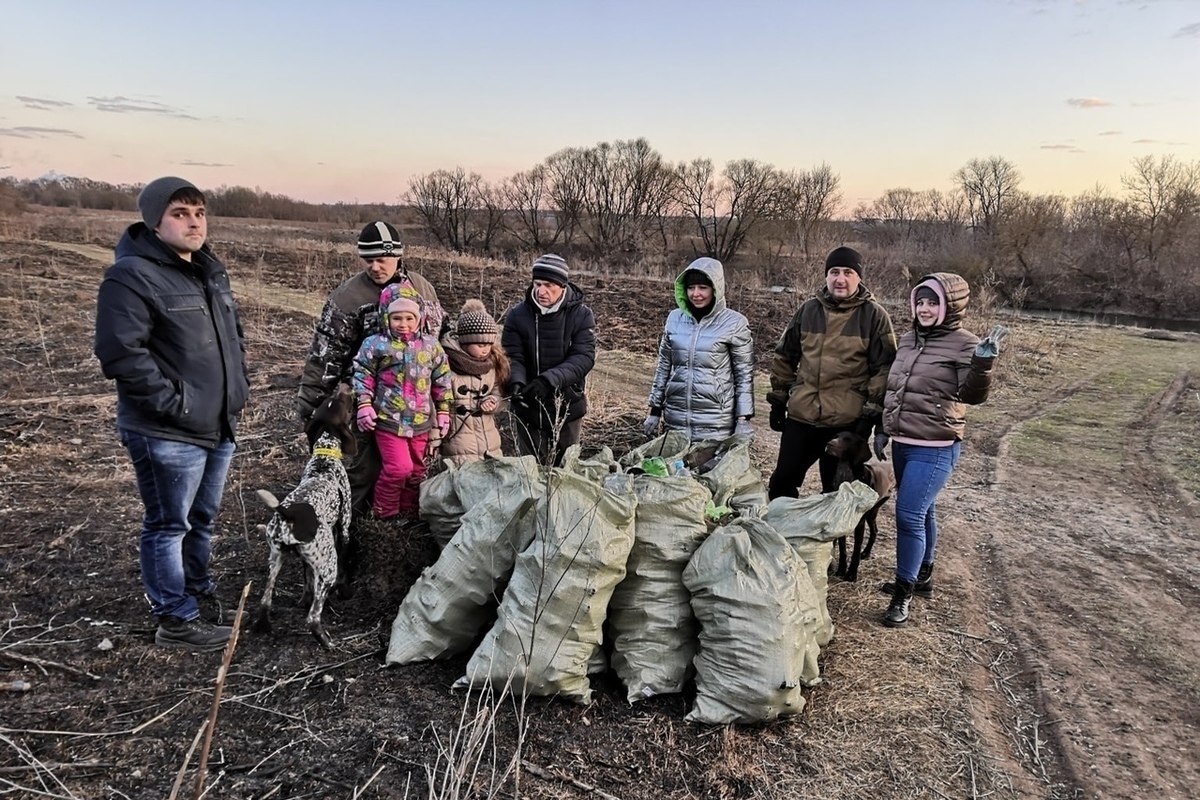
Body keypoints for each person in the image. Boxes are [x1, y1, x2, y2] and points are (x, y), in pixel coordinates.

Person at [93, 176, 250, 651]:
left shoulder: (208, 271)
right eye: (180, 213)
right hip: (167, 428)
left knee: (201, 518)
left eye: (199, 212)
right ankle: (175, 620)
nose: (193, 222)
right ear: (155, 220)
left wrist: (236, 389)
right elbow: (120, 353)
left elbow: (232, 338)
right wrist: (174, 403)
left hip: (217, 422)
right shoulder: (132, 276)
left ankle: (195, 591)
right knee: (169, 524)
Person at [878, 273, 1007, 628]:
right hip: (904, 443)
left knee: (907, 516)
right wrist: (882, 429)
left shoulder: (964, 343)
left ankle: (902, 593)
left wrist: (982, 363)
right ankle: (923, 575)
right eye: (920, 301)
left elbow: (973, 396)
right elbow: (894, 390)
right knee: (924, 510)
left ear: (950, 306)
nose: (925, 308)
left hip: (935, 447)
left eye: (933, 302)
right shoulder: (907, 339)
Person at [297, 221, 444, 519]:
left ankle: (405, 530)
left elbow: (439, 341)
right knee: (362, 472)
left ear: (398, 256)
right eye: (369, 260)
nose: (375, 267)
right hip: (365, 403)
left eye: (383, 259)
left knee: (415, 471)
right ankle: (356, 538)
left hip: (415, 402)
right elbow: (324, 358)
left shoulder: (422, 288)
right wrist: (311, 409)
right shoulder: (346, 299)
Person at [766, 246, 897, 498]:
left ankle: (832, 539)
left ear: (859, 278)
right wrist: (778, 401)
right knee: (781, 484)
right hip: (802, 416)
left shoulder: (874, 316)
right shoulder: (808, 310)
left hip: (845, 424)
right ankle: (783, 534)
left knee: (837, 493)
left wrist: (869, 417)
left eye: (848, 272)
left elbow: (884, 370)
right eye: (834, 272)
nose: (840, 279)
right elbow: (785, 355)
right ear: (826, 276)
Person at [351, 284, 452, 521]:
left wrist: (444, 411)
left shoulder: (430, 346)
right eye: (397, 317)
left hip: (420, 421)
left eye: (409, 318)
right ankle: (385, 516)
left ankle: (408, 514)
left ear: (420, 318)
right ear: (386, 317)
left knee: (416, 472)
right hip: (388, 420)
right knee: (399, 469)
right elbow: (362, 375)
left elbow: (442, 380)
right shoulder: (375, 345)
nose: (403, 324)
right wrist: (364, 405)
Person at [643, 257, 754, 442]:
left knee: (706, 470)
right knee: (674, 469)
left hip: (715, 422)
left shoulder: (735, 324)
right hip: (675, 419)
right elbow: (663, 367)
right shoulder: (674, 319)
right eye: (691, 287)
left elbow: (744, 375)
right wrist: (655, 410)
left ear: (715, 288)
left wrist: (743, 419)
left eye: (703, 288)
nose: (696, 294)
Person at [501, 253, 596, 466]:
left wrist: (548, 380)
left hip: (568, 406)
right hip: (528, 406)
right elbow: (512, 355)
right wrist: (516, 382)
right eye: (537, 284)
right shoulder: (517, 315)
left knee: (565, 470)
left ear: (563, 286)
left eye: (549, 285)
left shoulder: (581, 315)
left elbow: (584, 357)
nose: (541, 291)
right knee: (531, 469)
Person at [439, 299, 510, 466]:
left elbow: (497, 390)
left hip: (489, 441)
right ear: (465, 341)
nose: (485, 349)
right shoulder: (447, 363)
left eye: (488, 344)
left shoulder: (492, 363)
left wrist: (493, 401)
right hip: (457, 442)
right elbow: (439, 402)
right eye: (480, 344)